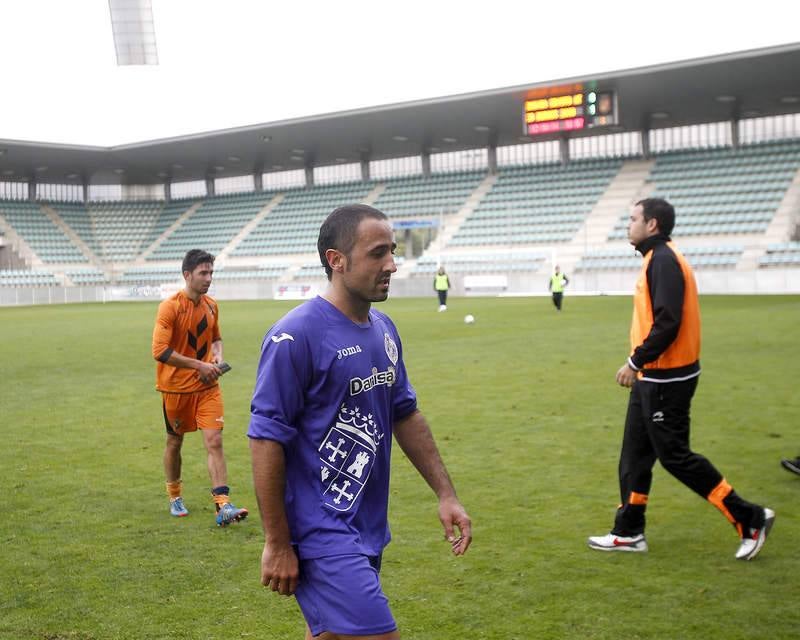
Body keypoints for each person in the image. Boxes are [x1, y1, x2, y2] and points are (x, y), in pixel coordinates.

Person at [248, 204, 472, 639]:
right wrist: (276, 542)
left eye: (392, 252)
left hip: (367, 523)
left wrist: (446, 494)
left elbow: (405, 413)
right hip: (320, 530)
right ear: (337, 260)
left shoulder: (383, 328)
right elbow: (265, 439)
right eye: (377, 253)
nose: (391, 264)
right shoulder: (294, 336)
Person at [587, 198, 774, 560]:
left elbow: (668, 322)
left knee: (675, 456)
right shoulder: (655, 258)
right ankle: (628, 531)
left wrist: (634, 361)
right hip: (652, 377)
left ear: (652, 225)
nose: (628, 225)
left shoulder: (664, 261)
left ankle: (749, 518)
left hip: (666, 379)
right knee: (634, 457)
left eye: (633, 219)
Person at [151, 249, 248, 526]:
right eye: (203, 273)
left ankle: (223, 505)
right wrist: (199, 366)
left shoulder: (212, 306)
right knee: (175, 441)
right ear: (187, 275)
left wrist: (216, 358)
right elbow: (160, 351)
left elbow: (216, 339)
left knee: (214, 440)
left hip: (207, 387)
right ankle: (174, 496)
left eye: (211, 273)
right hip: (176, 389)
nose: (208, 278)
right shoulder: (170, 307)